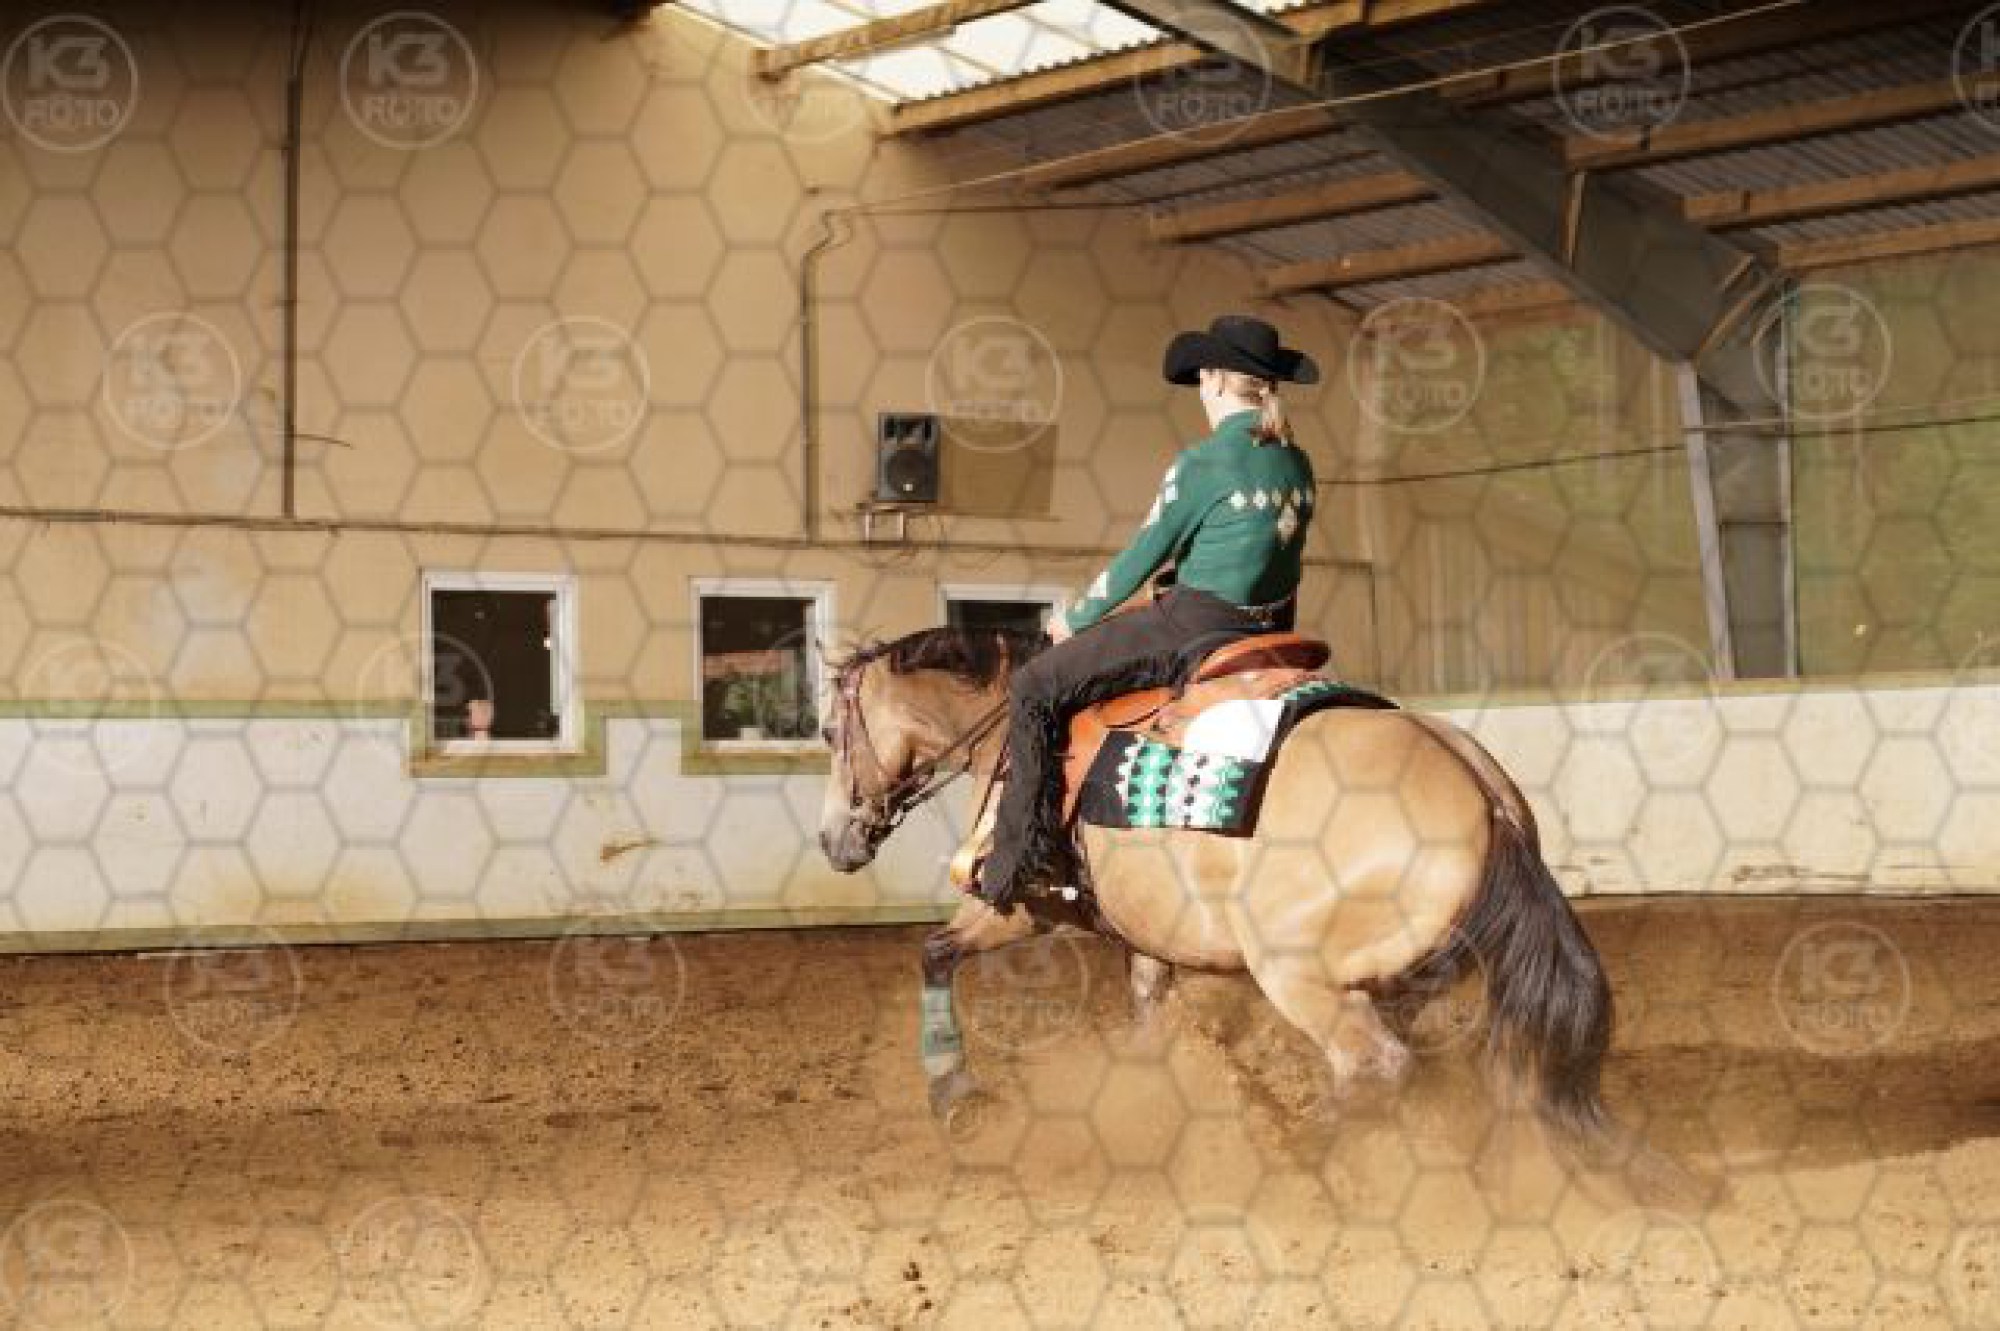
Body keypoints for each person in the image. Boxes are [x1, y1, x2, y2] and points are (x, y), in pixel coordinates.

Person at [974, 314, 1321, 912]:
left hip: (1192, 627)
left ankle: (1018, 862)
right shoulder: (1297, 462)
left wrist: (1074, 619)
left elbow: (1140, 557)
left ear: (1215, 379)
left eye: (1202, 376)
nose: (1200, 385)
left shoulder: (1204, 463)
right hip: (1267, 627)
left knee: (1032, 687)